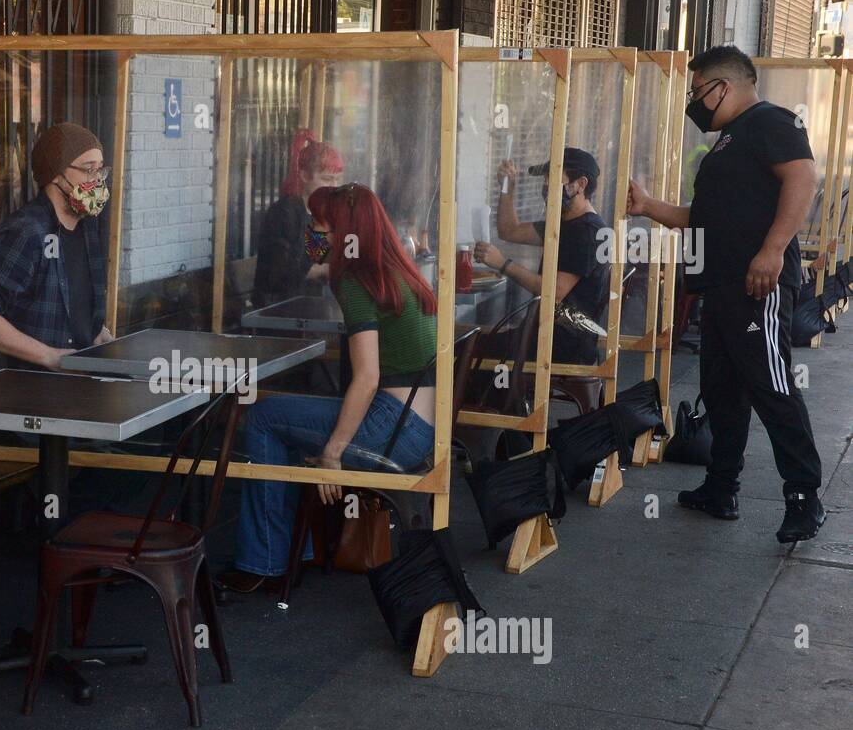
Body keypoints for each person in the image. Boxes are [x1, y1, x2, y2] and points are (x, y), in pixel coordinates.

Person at [628, 44, 824, 543]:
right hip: (719, 287)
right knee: (722, 391)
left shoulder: (770, 122)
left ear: (725, 86)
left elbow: (803, 177)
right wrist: (650, 206)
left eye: (698, 92)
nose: (695, 102)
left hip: (756, 284)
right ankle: (721, 488)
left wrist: (773, 250)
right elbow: (704, 216)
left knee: (771, 386)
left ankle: (803, 498)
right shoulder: (729, 141)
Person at [220, 184, 438, 593]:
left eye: (318, 226)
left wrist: (332, 455)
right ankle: (291, 552)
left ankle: (265, 565)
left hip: (393, 430)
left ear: (343, 231)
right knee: (287, 418)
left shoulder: (357, 283)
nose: (311, 234)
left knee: (264, 418)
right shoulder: (395, 270)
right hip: (421, 427)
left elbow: (368, 377)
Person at [0, 122, 113, 370]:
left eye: (100, 171)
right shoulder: (26, 231)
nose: (97, 181)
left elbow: (77, 308)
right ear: (55, 174)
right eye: (88, 170)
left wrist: (97, 333)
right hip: (29, 390)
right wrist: (49, 356)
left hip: (78, 383)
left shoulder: (88, 228)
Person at [472, 146, 611, 366]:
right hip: (542, 333)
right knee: (471, 344)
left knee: (464, 349)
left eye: (554, 179)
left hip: (560, 344)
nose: (546, 186)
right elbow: (510, 230)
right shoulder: (565, 223)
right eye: (545, 180)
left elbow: (553, 291)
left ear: (581, 184)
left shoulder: (587, 232)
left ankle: (497, 400)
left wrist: (502, 264)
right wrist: (507, 187)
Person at [252, 129, 344, 308]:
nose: (333, 187)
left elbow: (317, 256)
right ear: (304, 176)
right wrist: (327, 269)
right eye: (327, 179)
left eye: (337, 180)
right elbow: (283, 270)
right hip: (278, 309)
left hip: (309, 304)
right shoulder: (284, 214)